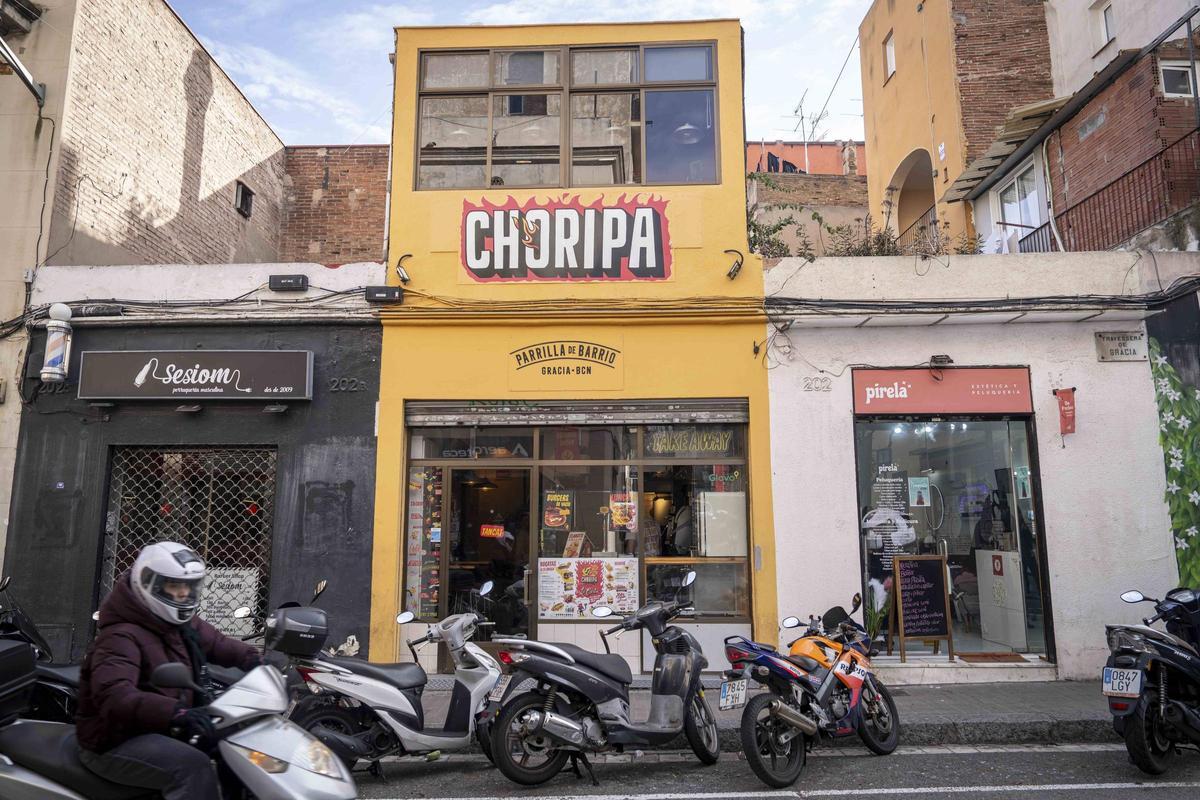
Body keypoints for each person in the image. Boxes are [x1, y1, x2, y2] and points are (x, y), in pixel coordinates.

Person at [75, 542, 263, 799]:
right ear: (150, 584)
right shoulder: (120, 635)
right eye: (174, 586)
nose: (183, 594)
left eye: (189, 586)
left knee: (234, 744)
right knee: (192, 767)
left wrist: (256, 662)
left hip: (158, 727)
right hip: (114, 739)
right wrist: (176, 712)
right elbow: (115, 696)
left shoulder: (175, 623)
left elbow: (217, 644)